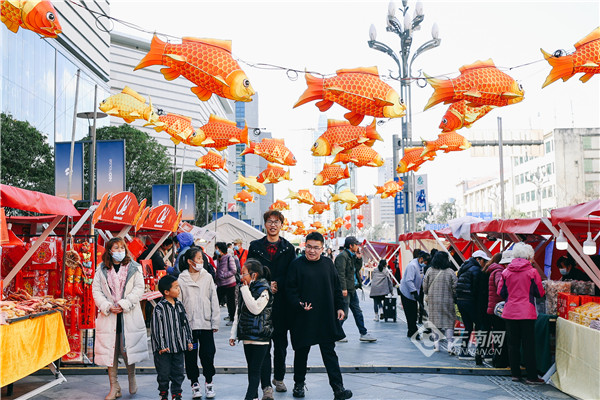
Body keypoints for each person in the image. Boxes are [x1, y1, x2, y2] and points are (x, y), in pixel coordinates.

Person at [286, 232, 353, 400]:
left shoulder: (328, 264)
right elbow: (290, 290)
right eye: (309, 247)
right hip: (303, 316)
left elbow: (337, 287)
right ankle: (299, 385)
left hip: (325, 316)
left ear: (322, 249)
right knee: (301, 352)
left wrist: (340, 307)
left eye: (316, 248)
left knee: (329, 353)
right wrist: (299, 304)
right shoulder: (296, 265)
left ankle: (338, 388)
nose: (312, 251)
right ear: (304, 246)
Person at [92, 237, 148, 400]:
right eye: (115, 248)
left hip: (128, 314)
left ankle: (131, 376)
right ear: (109, 250)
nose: (119, 251)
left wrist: (123, 303)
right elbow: (96, 291)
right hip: (109, 316)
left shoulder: (135, 268)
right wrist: (107, 305)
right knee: (112, 351)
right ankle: (114, 386)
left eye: (121, 248)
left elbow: (139, 289)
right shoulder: (101, 269)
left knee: (127, 349)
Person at [248, 210, 296, 392]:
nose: (273, 224)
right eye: (270, 221)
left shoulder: (288, 248)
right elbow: (249, 271)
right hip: (260, 303)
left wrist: (278, 284)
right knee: (263, 345)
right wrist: (266, 285)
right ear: (265, 224)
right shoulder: (255, 246)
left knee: (281, 344)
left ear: (281, 225)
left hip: (281, 304)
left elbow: (293, 275)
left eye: (276, 222)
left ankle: (279, 377)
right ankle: (266, 385)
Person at [498, 242, 545, 385]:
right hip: (526, 313)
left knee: (513, 344)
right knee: (528, 344)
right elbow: (540, 292)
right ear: (529, 257)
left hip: (510, 312)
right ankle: (531, 376)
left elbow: (501, 292)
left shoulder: (506, 272)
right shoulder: (532, 272)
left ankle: (515, 374)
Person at [229, 259, 274, 400]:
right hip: (247, 336)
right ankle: (254, 397)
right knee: (251, 370)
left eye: (244, 274)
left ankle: (249, 397)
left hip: (260, 337)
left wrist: (244, 290)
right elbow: (239, 312)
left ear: (254, 275)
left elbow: (255, 308)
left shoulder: (264, 290)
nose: (242, 277)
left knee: (255, 371)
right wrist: (233, 334)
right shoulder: (246, 288)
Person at [178, 247, 220, 399]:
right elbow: (179, 303)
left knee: (208, 354)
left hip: (206, 322)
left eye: (202, 258)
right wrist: (181, 324)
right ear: (190, 261)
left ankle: (209, 382)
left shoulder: (207, 276)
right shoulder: (182, 278)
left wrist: (215, 322)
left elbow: (213, 299)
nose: (202, 261)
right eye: (199, 259)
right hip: (189, 325)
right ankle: (194, 383)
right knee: (190, 355)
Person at [152, 275, 194, 400]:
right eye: (176, 287)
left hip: (179, 347)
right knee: (163, 373)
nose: (179, 290)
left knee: (179, 372)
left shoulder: (179, 305)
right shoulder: (159, 308)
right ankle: (163, 393)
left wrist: (189, 340)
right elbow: (156, 328)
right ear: (166, 292)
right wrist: (161, 345)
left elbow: (185, 323)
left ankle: (177, 393)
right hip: (164, 350)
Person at [334, 236, 376, 342]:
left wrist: (359, 258)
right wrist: (343, 288)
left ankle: (363, 333)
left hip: (352, 289)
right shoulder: (342, 256)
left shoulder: (352, 256)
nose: (358, 246)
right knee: (344, 313)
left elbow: (357, 269)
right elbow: (340, 274)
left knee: (357, 312)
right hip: (346, 290)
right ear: (351, 245)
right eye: (356, 244)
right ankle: (336, 333)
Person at [455, 250, 490, 360]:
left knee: (468, 326)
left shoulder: (464, 267)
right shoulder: (475, 269)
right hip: (469, 301)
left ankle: (463, 351)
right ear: (478, 259)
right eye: (484, 261)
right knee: (480, 325)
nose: (484, 264)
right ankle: (483, 352)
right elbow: (476, 289)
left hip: (461, 301)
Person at [423, 251, 458, 353]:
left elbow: (424, 287)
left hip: (433, 300)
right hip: (447, 300)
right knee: (449, 322)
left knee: (434, 322)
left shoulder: (430, 270)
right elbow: (455, 286)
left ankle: (436, 345)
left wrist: (427, 292)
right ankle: (450, 345)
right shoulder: (450, 271)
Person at [486, 250, 512, 368]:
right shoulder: (499, 272)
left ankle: (498, 360)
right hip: (498, 309)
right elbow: (500, 288)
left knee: (498, 336)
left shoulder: (494, 270)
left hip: (493, 307)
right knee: (501, 336)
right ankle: (501, 362)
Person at [399, 249, 428, 339]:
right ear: (421, 259)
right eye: (425, 261)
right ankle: (413, 332)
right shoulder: (412, 265)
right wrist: (414, 292)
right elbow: (409, 280)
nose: (425, 263)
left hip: (414, 292)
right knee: (410, 313)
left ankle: (411, 331)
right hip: (407, 292)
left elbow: (421, 278)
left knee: (414, 313)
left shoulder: (420, 266)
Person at [215, 241, 237, 326]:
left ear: (220, 249)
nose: (216, 250)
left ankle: (232, 319)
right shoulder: (219, 257)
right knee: (216, 300)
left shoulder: (228, 257)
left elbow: (234, 270)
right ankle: (214, 318)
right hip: (220, 284)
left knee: (231, 302)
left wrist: (223, 275)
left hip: (229, 283)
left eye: (217, 248)